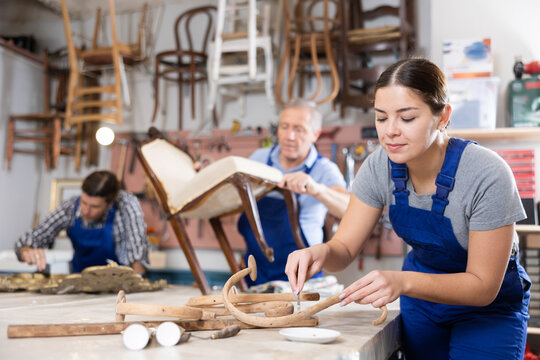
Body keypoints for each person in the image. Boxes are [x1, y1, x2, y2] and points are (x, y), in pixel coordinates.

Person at [285, 58, 530, 359]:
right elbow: (344, 248)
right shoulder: (378, 168)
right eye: (381, 117)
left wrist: (402, 282)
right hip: (423, 303)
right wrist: (319, 254)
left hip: (488, 309)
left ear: (443, 117)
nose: (390, 132)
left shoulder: (487, 174)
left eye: (407, 118)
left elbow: (482, 286)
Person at [238, 99, 349, 286]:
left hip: (302, 276)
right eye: (284, 127)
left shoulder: (324, 169)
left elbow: (349, 210)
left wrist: (317, 189)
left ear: (315, 134)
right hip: (255, 273)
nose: (289, 136)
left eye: (299, 129)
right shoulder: (259, 158)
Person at [16, 170, 149, 274]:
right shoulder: (70, 207)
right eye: (84, 202)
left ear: (110, 203)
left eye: (94, 206)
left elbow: (138, 253)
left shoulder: (125, 204)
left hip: (119, 285)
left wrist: (134, 283)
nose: (85, 210)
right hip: (81, 281)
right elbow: (32, 238)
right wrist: (26, 251)